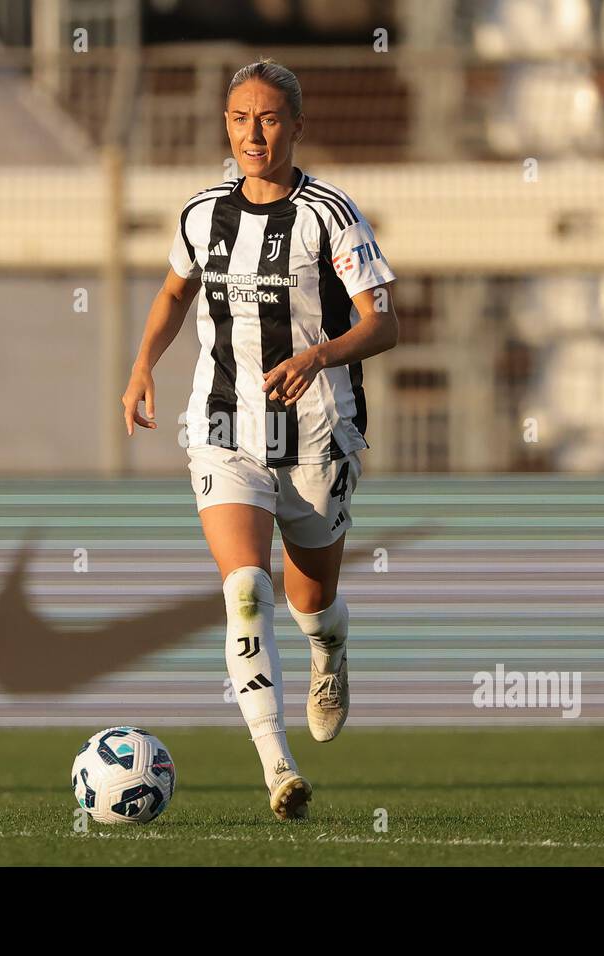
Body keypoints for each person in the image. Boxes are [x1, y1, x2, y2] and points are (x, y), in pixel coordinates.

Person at [121, 58, 398, 820]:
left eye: (269, 118)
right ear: (226, 125)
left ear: (296, 127)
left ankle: (328, 651)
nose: (253, 132)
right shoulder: (200, 214)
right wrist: (143, 364)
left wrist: (318, 355)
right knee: (246, 591)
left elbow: (384, 323)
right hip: (223, 424)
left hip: (318, 430)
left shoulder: (332, 216)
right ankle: (279, 769)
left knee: (312, 602)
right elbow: (176, 290)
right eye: (240, 117)